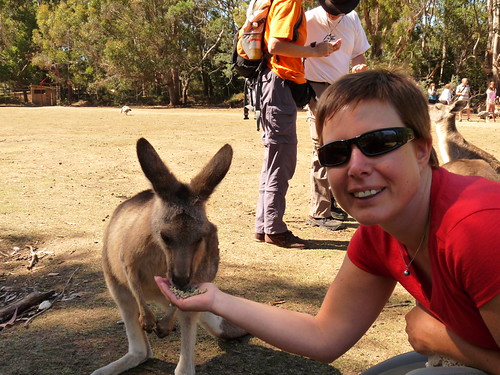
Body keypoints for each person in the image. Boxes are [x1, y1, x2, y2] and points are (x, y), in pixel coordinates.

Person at [156, 70, 500, 374]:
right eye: (335, 153)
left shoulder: (478, 228)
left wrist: (443, 339)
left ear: (422, 149)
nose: (356, 166)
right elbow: (325, 335)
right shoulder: (379, 234)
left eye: (379, 143)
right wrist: (215, 300)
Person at [253, 0, 338, 249]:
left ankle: (264, 225)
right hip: (278, 84)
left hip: (273, 83)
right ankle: (274, 228)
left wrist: (313, 48)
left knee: (274, 157)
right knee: (282, 157)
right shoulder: (290, 2)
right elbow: (276, 45)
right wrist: (316, 52)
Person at [303, 0, 370, 231]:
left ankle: (331, 204)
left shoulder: (352, 19)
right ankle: (318, 212)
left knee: (342, 147)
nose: (335, 16)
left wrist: (359, 67)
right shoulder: (308, 19)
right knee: (322, 148)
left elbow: (359, 54)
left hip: (342, 90)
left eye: (339, 12)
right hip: (315, 88)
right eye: (331, 11)